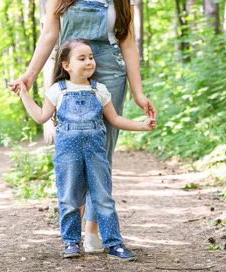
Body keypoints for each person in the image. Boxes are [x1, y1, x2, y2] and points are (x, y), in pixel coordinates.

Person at [9, 0, 157, 253]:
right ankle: (72, 231)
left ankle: (93, 230)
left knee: (101, 154)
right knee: (72, 151)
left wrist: (138, 92)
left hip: (109, 75)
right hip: (69, 73)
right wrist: (30, 76)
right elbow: (50, 33)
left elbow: (128, 43)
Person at [16, 39, 156, 260]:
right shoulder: (57, 91)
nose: (89, 62)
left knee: (103, 197)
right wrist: (24, 93)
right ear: (66, 65)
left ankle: (114, 243)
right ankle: (71, 242)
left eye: (91, 57)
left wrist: (142, 125)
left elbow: (115, 119)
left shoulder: (99, 90)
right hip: (67, 155)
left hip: (95, 153)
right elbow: (41, 116)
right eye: (82, 58)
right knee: (69, 197)